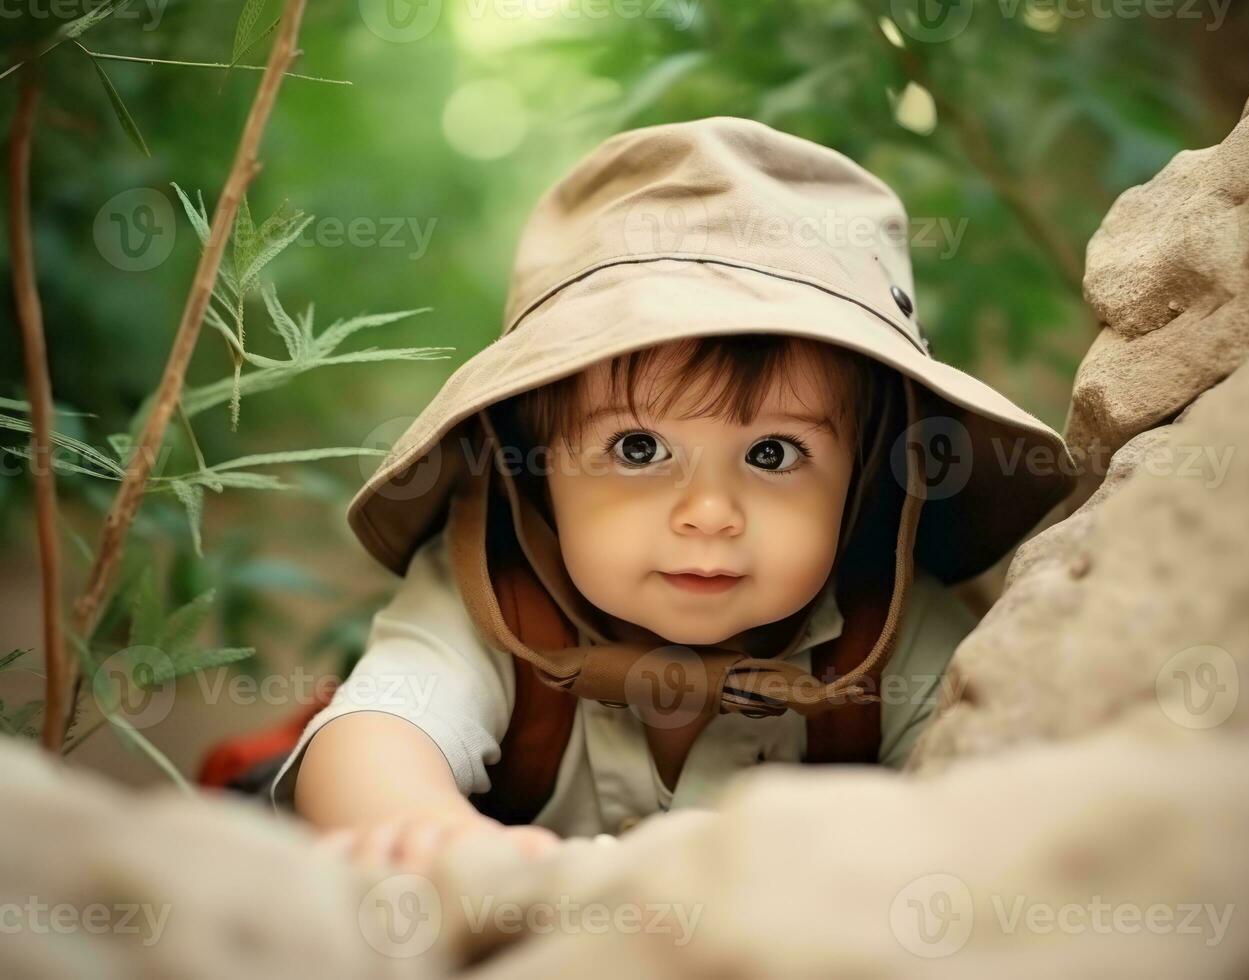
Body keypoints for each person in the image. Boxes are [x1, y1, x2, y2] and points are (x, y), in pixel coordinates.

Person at [270, 116, 1076, 870]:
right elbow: (374, 735)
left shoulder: (889, 635)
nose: (708, 513)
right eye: (637, 447)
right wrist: (428, 832)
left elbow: (979, 814)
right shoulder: (490, 602)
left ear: (864, 479)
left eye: (771, 452)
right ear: (535, 462)